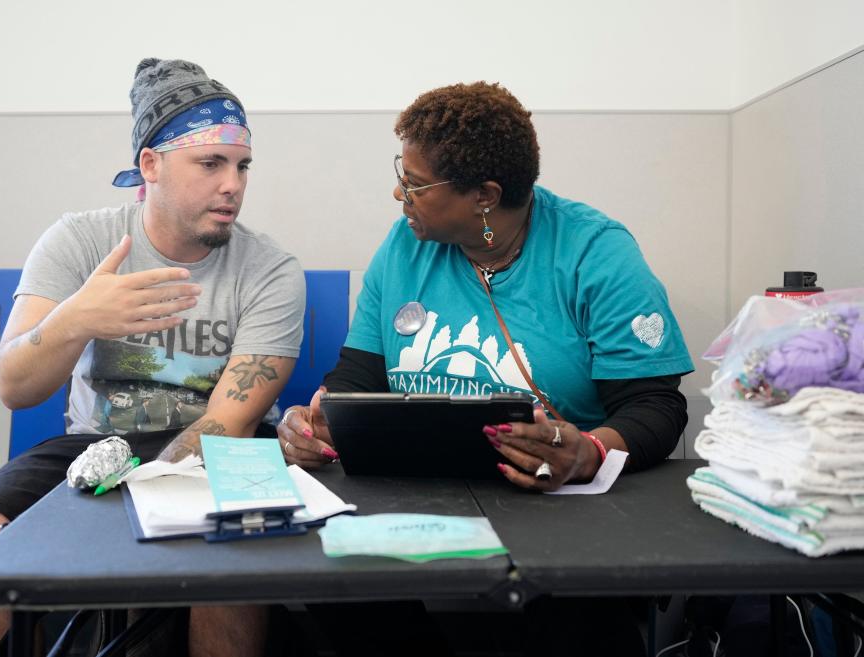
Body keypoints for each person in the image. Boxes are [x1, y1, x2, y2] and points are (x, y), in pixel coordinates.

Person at [277, 82, 693, 656]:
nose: (399, 193)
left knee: (567, 629)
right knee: (344, 596)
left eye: (417, 184)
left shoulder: (595, 252)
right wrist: (315, 419)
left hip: (553, 511)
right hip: (414, 502)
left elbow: (655, 405)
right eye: (403, 172)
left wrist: (588, 453)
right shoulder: (404, 246)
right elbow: (356, 377)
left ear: (485, 195)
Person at [0, 58, 305, 657]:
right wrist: (78, 317)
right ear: (150, 165)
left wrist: (150, 490)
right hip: (97, 446)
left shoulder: (270, 269)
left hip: (216, 447)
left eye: (242, 166)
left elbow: (230, 420)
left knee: (237, 540)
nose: (233, 185)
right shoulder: (80, 240)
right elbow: (15, 387)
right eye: (211, 163)